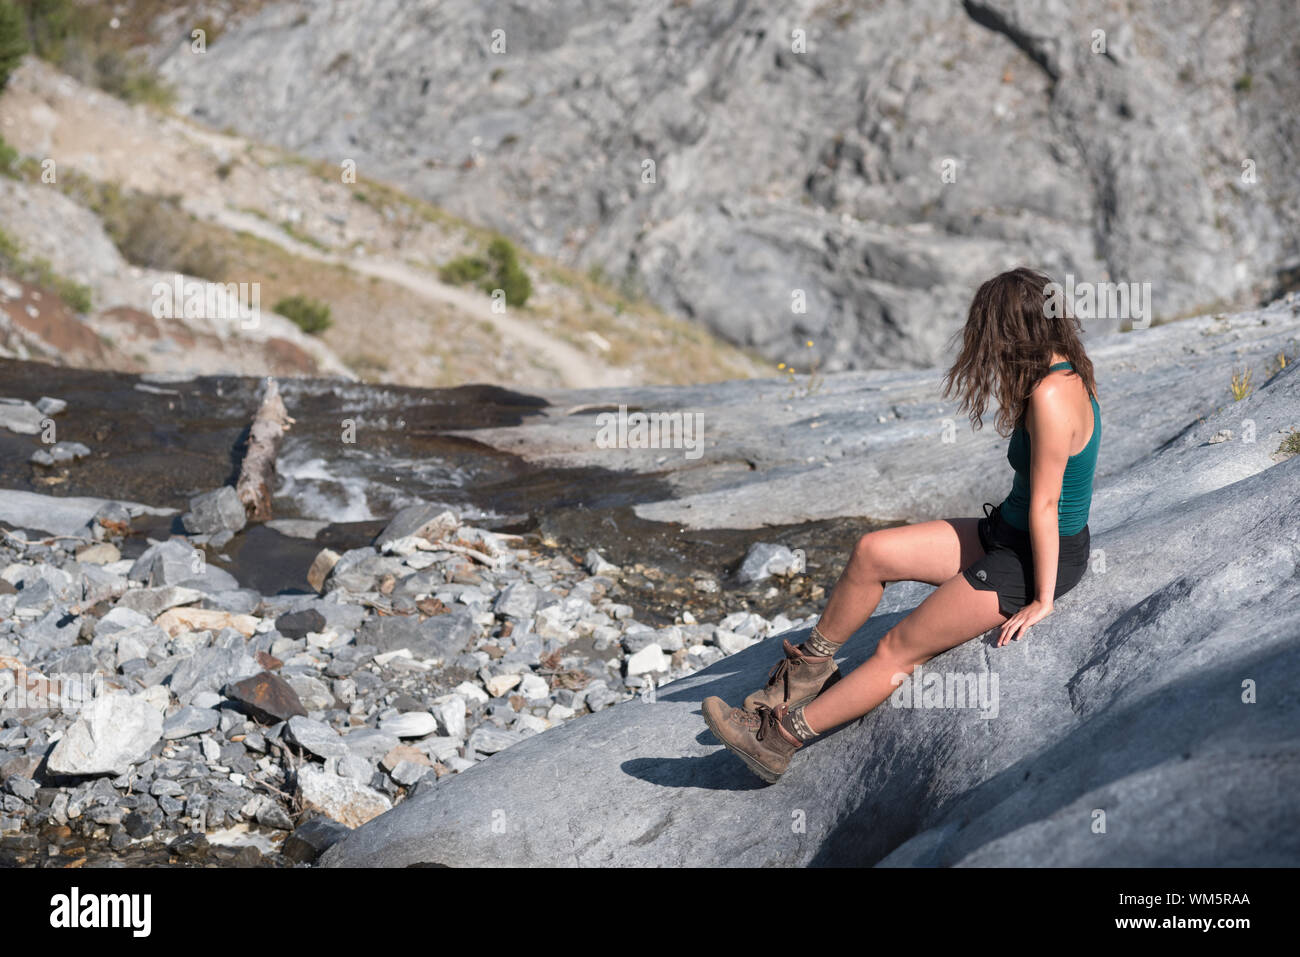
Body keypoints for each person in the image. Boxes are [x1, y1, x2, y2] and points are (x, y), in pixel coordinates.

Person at [703, 267, 1102, 783]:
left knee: (896, 649)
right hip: (1006, 533)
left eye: (988, 331)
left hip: (1033, 560)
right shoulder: (1062, 371)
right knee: (873, 552)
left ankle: (778, 738)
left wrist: (1043, 599)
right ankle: (807, 673)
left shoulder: (1051, 396)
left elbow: (1047, 505)